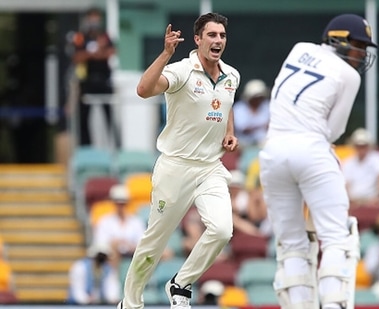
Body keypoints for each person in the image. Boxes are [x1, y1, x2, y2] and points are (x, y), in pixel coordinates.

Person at [117, 12, 240, 309]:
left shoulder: (232, 75)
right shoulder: (182, 70)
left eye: (222, 36)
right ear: (197, 40)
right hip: (176, 167)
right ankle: (130, 303)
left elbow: (225, 105)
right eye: (211, 35)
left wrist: (229, 132)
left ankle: (181, 283)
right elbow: (143, 90)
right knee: (154, 243)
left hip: (210, 167)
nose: (218, 41)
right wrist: (165, 53)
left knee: (222, 230)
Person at [259, 14, 377, 309]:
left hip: (272, 152)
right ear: (337, 39)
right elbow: (334, 131)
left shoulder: (299, 49)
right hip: (311, 149)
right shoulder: (350, 75)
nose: (361, 54)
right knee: (337, 237)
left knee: (292, 243)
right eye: (358, 46)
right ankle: (334, 305)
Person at [69, 7, 116, 146]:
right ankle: (86, 149)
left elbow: (110, 52)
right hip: (87, 82)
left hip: (104, 81)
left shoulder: (105, 36)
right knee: (83, 119)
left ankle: (113, 148)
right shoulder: (81, 37)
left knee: (109, 117)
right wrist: (93, 52)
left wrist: (96, 53)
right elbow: (77, 57)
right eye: (92, 18)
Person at [94, 184, 145, 267]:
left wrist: (129, 246)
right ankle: (113, 277)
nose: (121, 206)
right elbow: (101, 245)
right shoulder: (105, 222)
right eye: (118, 203)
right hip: (111, 258)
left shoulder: (136, 222)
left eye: (123, 203)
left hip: (133, 255)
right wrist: (117, 244)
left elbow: (142, 243)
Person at [342, 128, 379, 208]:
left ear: (369, 146)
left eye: (364, 146)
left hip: (373, 201)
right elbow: (346, 184)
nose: (361, 148)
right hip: (353, 202)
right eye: (359, 146)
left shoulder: (377, 158)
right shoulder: (348, 162)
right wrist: (349, 200)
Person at [233, 79, 270, 148]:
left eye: (260, 97)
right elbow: (244, 129)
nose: (258, 100)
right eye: (256, 97)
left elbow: (272, 125)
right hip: (243, 145)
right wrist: (262, 125)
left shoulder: (267, 106)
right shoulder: (239, 108)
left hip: (265, 143)